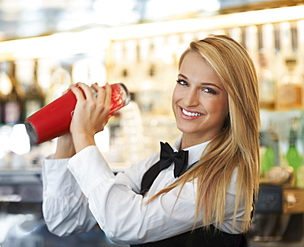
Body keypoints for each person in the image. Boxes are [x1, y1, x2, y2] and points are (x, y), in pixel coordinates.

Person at [41, 34, 260, 246]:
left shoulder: (229, 181)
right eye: (183, 82)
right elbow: (66, 221)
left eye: (208, 90)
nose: (189, 99)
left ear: (234, 103)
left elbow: (122, 224)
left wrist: (84, 135)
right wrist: (68, 135)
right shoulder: (155, 165)